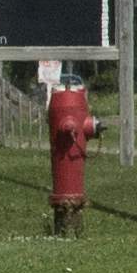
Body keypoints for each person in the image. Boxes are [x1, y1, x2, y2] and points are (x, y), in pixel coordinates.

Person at [43, 63, 93, 237]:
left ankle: (68, 230)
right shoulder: (70, 108)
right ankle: (69, 229)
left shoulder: (67, 103)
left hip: (72, 113)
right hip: (71, 117)